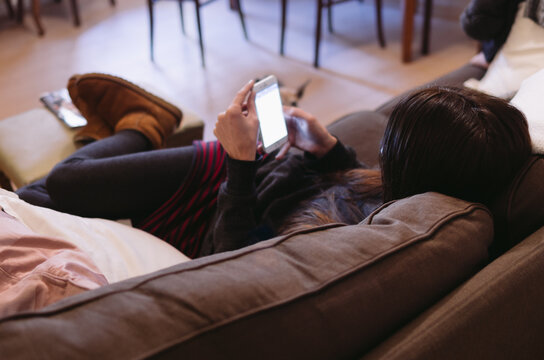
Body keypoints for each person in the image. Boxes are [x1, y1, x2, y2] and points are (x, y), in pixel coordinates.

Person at [16, 74, 532, 259]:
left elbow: (227, 258)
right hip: (248, 172)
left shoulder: (346, 241)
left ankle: (143, 123)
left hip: (222, 202)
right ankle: (135, 129)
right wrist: (328, 148)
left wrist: (238, 162)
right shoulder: (419, 190)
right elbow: (362, 184)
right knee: (60, 185)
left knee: (41, 194)